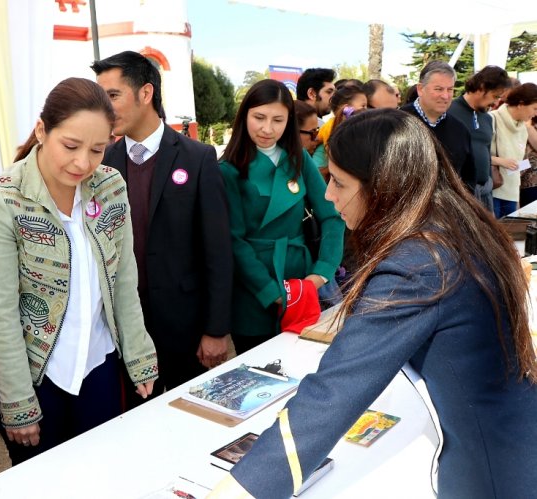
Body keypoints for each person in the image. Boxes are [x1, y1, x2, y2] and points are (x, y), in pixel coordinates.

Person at [208, 109, 537, 499]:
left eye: (340, 184)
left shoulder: (417, 265)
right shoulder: (456, 224)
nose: (329, 196)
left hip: (489, 472)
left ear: (383, 188)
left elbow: (333, 392)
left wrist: (238, 491)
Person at [0, 78, 159, 465]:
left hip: (98, 364)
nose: (83, 163)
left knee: (105, 475)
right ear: (42, 130)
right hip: (37, 373)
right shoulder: (3, 198)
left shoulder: (109, 186)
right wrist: (17, 400)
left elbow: (124, 278)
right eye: (70, 146)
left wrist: (139, 357)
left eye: (97, 149)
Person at [91, 51, 233, 394]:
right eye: (101, 98)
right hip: (127, 331)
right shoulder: (101, 164)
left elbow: (217, 250)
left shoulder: (197, 158)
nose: (105, 109)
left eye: (113, 96)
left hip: (187, 329)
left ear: (145, 93)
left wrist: (216, 329)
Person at [219, 79, 344, 353]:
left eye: (278, 120)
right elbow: (234, 240)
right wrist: (270, 292)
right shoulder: (228, 168)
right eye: (259, 117)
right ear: (244, 116)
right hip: (253, 290)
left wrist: (322, 272)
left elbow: (332, 215)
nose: (267, 128)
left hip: (302, 282)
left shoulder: (298, 157)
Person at [401, 60, 476, 192]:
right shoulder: (397, 122)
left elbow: (468, 176)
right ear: (420, 89)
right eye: (438, 89)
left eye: (450, 89)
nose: (445, 96)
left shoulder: (460, 130)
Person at [447, 65, 511, 212]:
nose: (495, 103)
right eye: (495, 96)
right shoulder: (449, 112)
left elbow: (486, 154)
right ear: (482, 87)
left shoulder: (488, 119)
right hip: (459, 196)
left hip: (485, 194)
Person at [490, 82, 537, 218]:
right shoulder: (493, 119)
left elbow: (518, 164)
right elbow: (477, 154)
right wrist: (500, 161)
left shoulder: (523, 127)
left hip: (512, 192)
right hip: (494, 190)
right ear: (521, 104)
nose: (535, 114)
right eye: (534, 108)